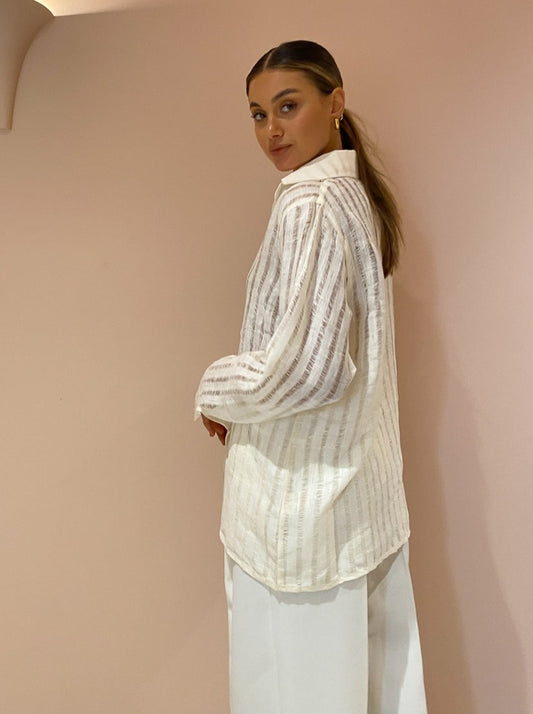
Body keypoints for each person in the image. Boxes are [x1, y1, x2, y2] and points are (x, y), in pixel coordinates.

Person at [195, 40, 427, 714]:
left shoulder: (311, 203)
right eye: (257, 114)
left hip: (300, 518)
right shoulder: (350, 194)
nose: (271, 129)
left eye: (287, 106)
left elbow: (310, 370)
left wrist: (217, 392)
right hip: (354, 503)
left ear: (335, 103)